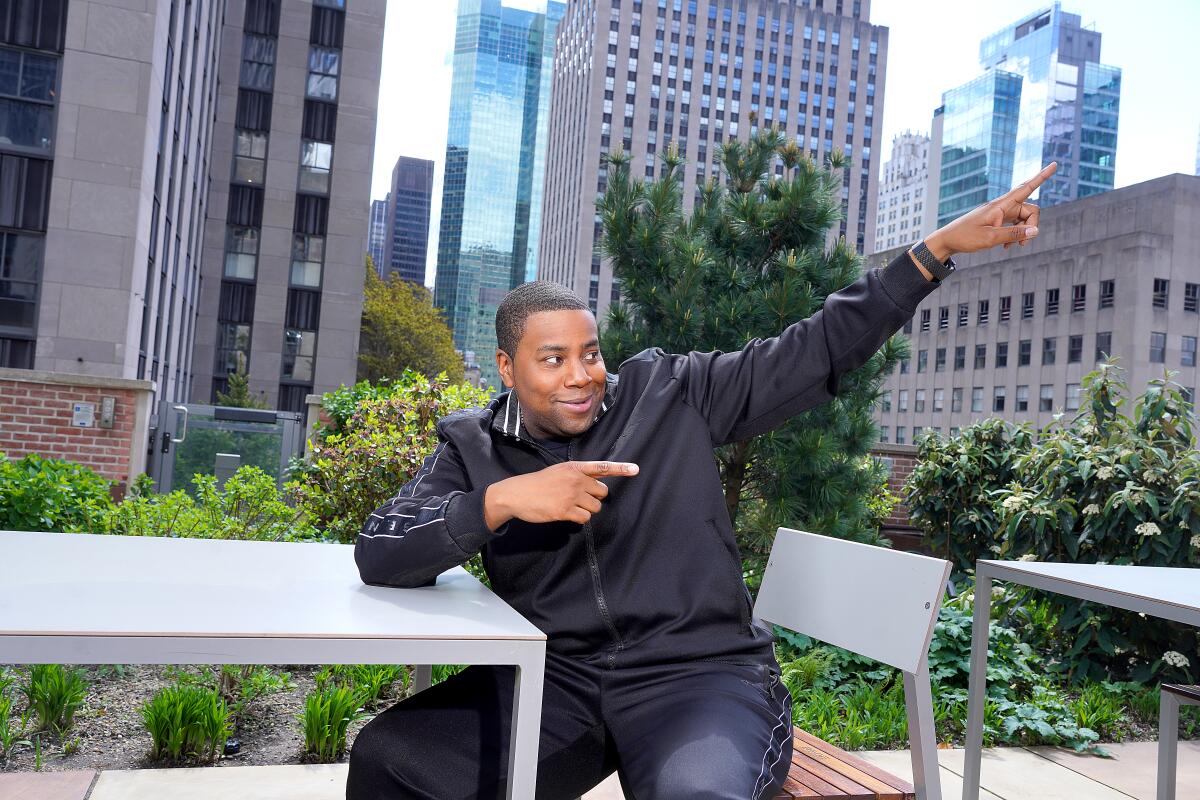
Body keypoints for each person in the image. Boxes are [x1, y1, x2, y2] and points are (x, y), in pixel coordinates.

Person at [346, 163, 1057, 800]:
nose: (581, 376)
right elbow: (380, 550)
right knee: (392, 759)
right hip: (560, 683)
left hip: (700, 682)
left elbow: (813, 347)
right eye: (553, 360)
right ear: (508, 369)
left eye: (590, 353)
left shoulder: (672, 393)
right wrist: (500, 503)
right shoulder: (474, 446)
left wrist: (934, 254)